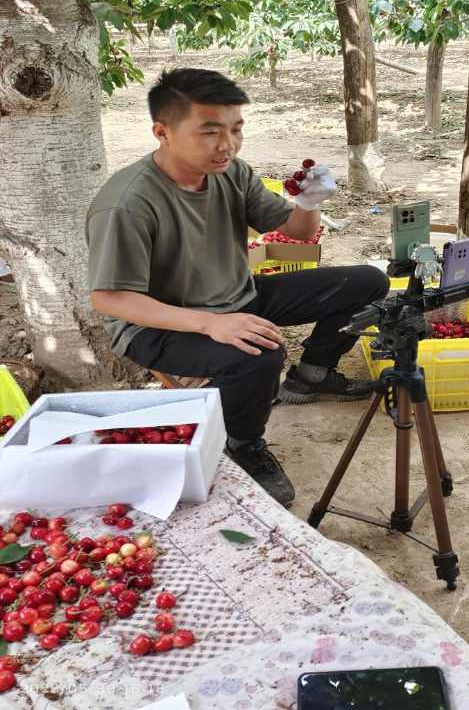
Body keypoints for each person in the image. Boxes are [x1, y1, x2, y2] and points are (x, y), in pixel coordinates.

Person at [86, 68, 389, 507]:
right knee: (258, 353)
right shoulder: (128, 204)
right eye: (210, 132)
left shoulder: (231, 172)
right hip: (157, 326)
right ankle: (242, 442)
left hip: (238, 295)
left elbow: (297, 232)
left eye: (236, 129)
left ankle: (312, 375)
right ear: (163, 132)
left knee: (367, 282)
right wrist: (211, 324)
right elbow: (110, 298)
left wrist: (308, 203)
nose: (227, 144)